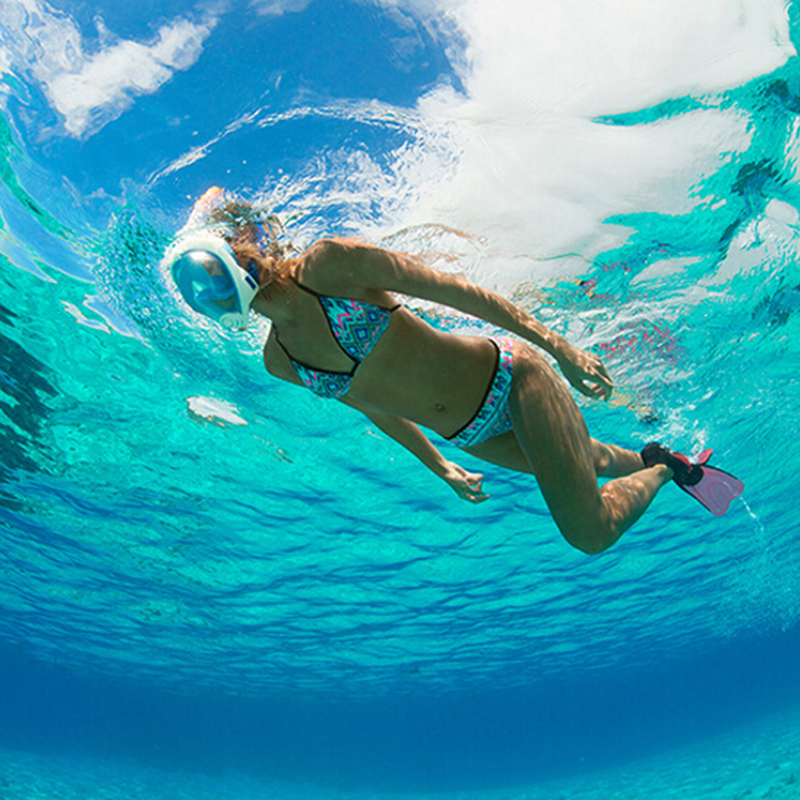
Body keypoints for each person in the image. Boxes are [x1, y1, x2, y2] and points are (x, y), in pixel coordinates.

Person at [165, 192, 743, 555]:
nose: (207, 294)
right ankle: (657, 456)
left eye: (207, 274)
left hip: (512, 381)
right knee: (586, 458)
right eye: (196, 292)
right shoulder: (278, 359)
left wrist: (560, 349)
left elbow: (460, 293)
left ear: (235, 249)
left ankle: (665, 471)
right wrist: (441, 466)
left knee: (588, 532)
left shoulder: (328, 265)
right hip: (472, 435)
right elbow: (373, 405)